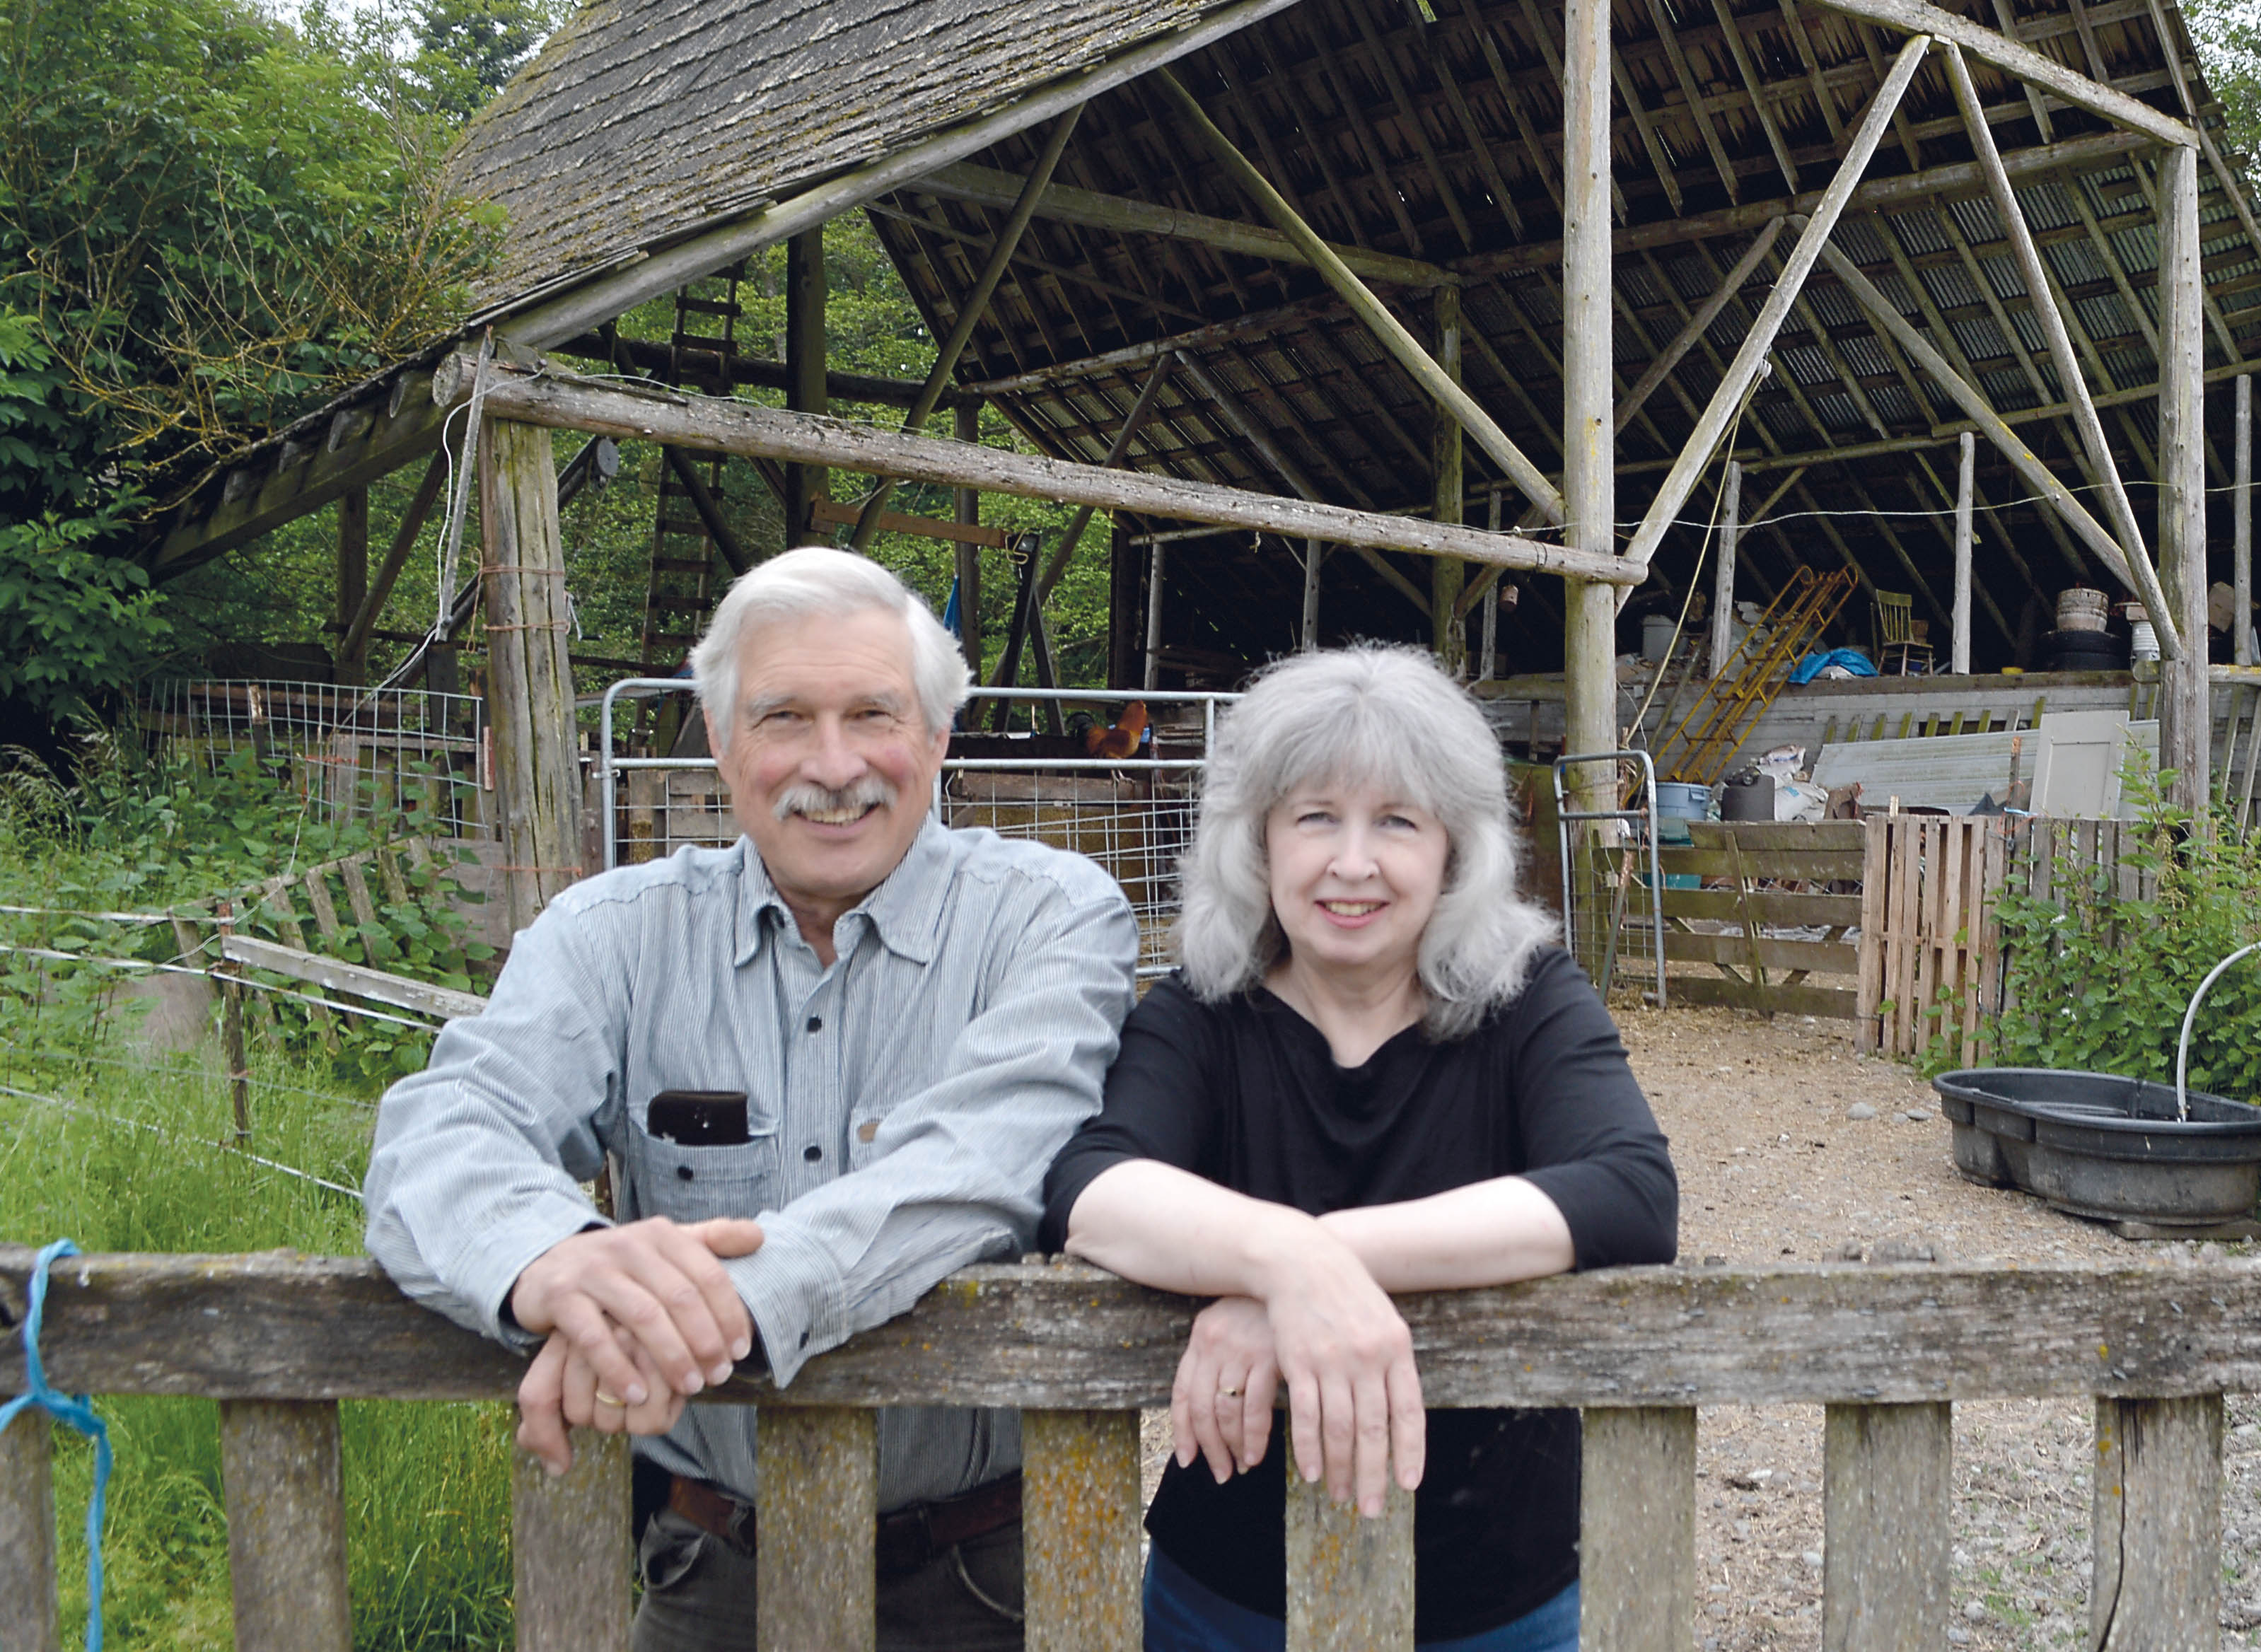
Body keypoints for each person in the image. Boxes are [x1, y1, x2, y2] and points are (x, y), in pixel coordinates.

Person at [365, 547, 1139, 1652]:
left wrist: (695, 1311)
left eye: (874, 712)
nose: (834, 765)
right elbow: (442, 1130)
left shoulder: (1050, 920)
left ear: (936, 738)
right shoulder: (611, 936)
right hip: (711, 1575)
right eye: (783, 718)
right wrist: (554, 1261)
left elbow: (977, 1162)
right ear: (722, 744)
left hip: (988, 1585)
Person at [1044, 645, 1675, 1652]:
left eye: (1396, 821)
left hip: (1499, 1599)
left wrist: (1308, 1265)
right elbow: (1090, 1185)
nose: (1352, 862)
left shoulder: (1529, 999)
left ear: (1455, 851)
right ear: (1255, 843)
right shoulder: (1205, 1011)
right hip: (1228, 1600)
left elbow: (1629, 1193)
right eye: (1314, 818)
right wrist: (1280, 1261)